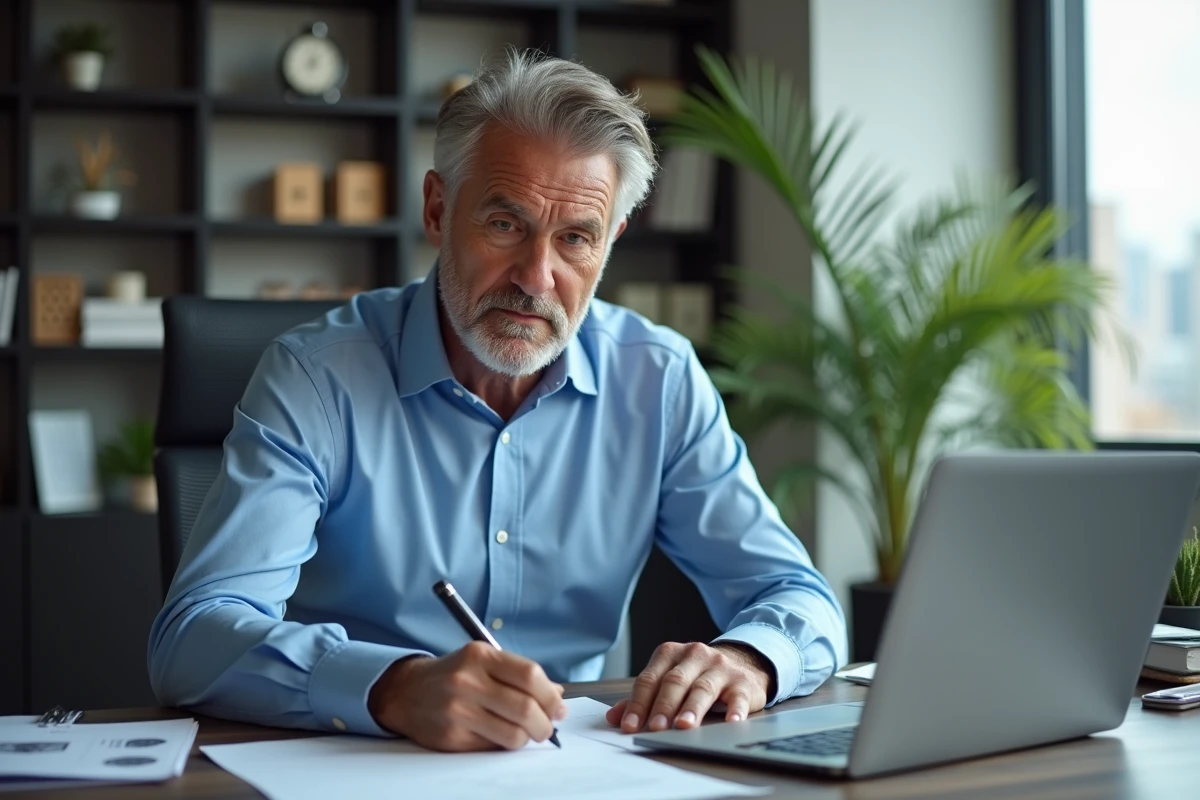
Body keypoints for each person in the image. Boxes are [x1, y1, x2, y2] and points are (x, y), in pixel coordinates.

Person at [148, 48, 847, 753]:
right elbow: (193, 637)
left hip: (578, 768)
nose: (536, 278)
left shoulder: (657, 379)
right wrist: (391, 686)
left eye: (575, 238)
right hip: (363, 762)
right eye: (506, 225)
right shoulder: (316, 378)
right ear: (438, 209)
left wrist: (750, 659)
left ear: (609, 243)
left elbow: (799, 597)